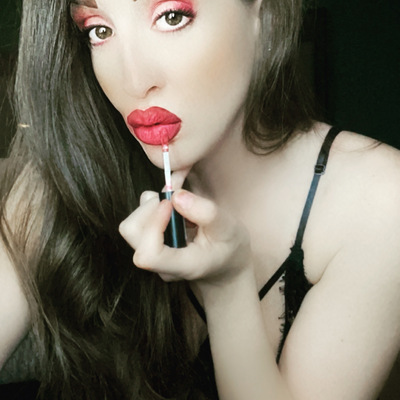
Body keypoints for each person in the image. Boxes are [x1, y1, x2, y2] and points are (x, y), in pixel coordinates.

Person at [1, 0, 400, 399]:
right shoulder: (63, 179)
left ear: (260, 11)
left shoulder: (379, 201)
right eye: (99, 30)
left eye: (171, 17)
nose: (134, 81)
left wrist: (228, 290)